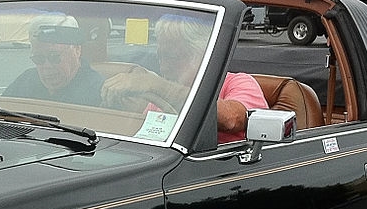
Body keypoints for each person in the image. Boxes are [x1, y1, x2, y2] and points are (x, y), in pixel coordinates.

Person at [100, 13, 267, 144]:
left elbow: (231, 119)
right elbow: (145, 135)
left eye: (172, 57)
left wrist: (154, 84)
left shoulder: (238, 83)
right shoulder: (163, 91)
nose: (163, 66)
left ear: (202, 54)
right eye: (160, 57)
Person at [2, 17, 104, 105]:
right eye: (38, 58)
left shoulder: (98, 90)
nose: (47, 66)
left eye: (54, 57)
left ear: (77, 50)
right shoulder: (26, 80)